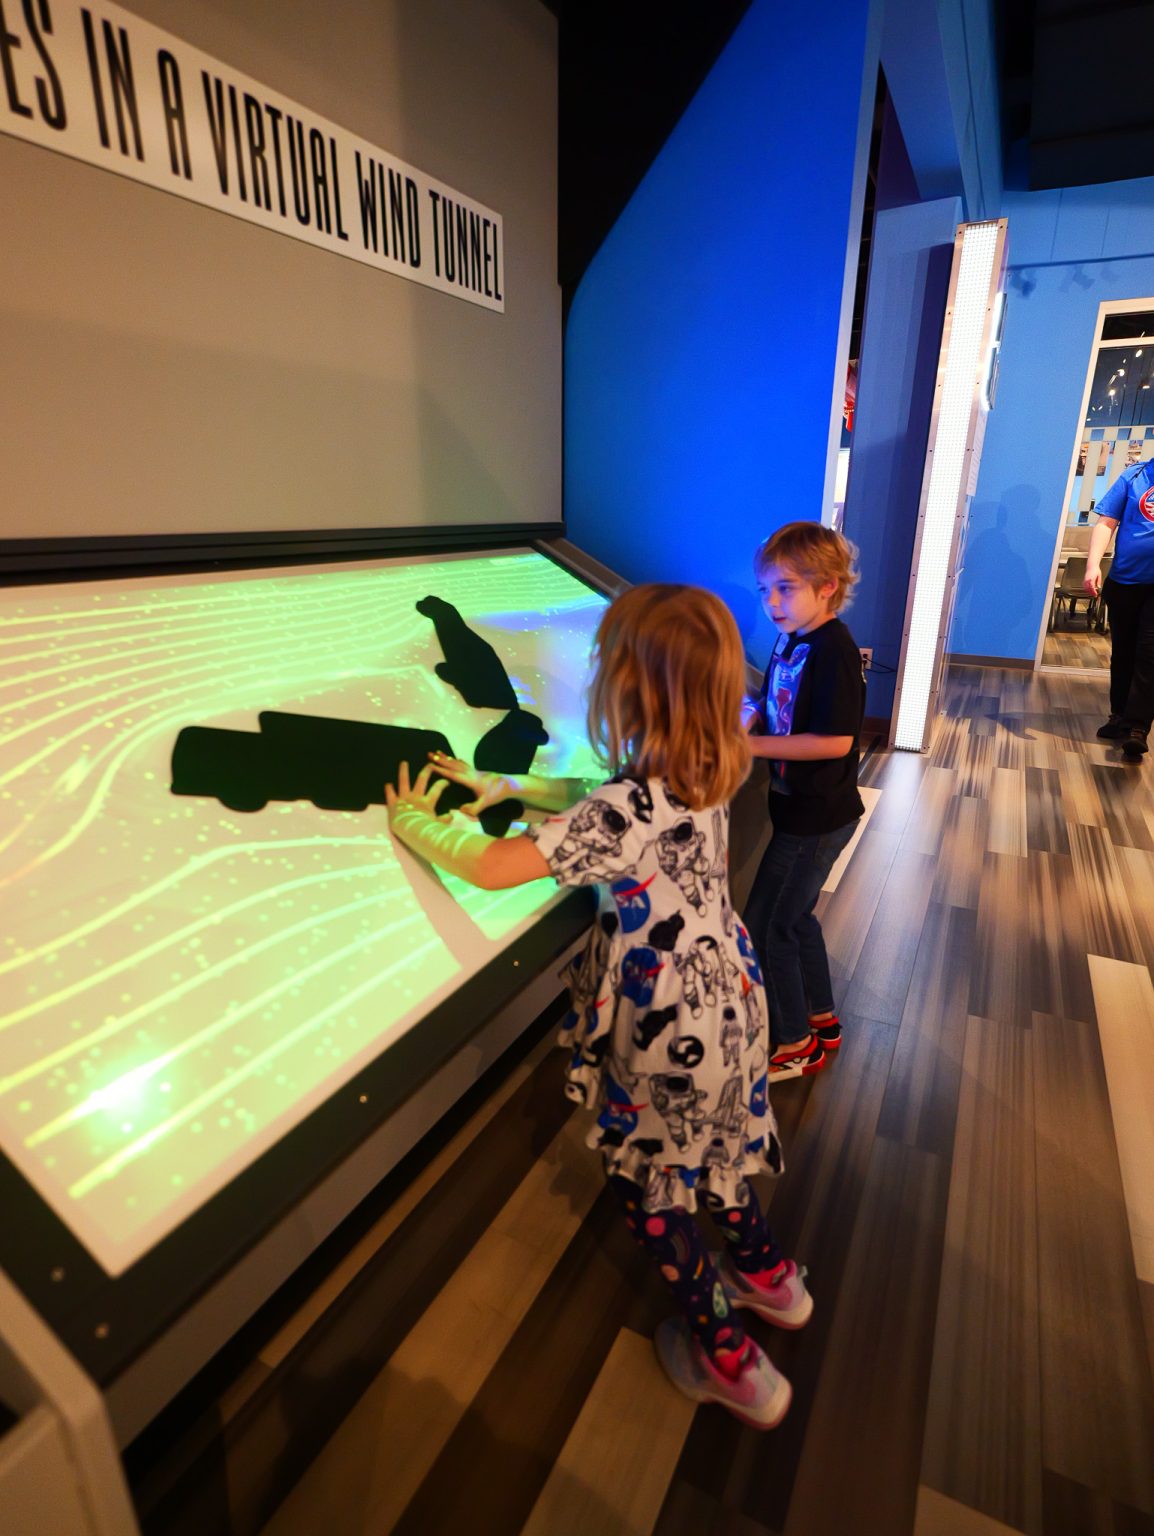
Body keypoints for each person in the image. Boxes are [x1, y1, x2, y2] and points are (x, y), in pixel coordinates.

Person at [386, 584, 811, 1429]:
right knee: (715, 1148)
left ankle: (731, 1362)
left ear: (627, 690)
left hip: (664, 1032)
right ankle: (770, 1279)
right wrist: (503, 781)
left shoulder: (627, 808)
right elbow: (596, 796)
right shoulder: (708, 763)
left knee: (652, 1186)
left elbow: (494, 868)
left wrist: (417, 823)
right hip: (729, 1006)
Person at [741, 522, 865, 1079]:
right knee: (796, 919)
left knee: (769, 926)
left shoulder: (834, 649)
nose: (772, 603)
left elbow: (835, 740)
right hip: (798, 813)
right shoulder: (791, 638)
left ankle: (794, 1043)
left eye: (785, 589)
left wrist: (748, 746)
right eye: (766, 589)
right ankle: (819, 1016)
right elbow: (777, 701)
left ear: (828, 587)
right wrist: (751, 715)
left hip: (815, 820)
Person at [1083, 456, 1154, 759]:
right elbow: (1106, 522)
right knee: (1123, 652)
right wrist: (1092, 566)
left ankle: (1138, 727)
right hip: (1125, 580)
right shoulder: (1134, 475)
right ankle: (1119, 715)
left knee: (1149, 653)